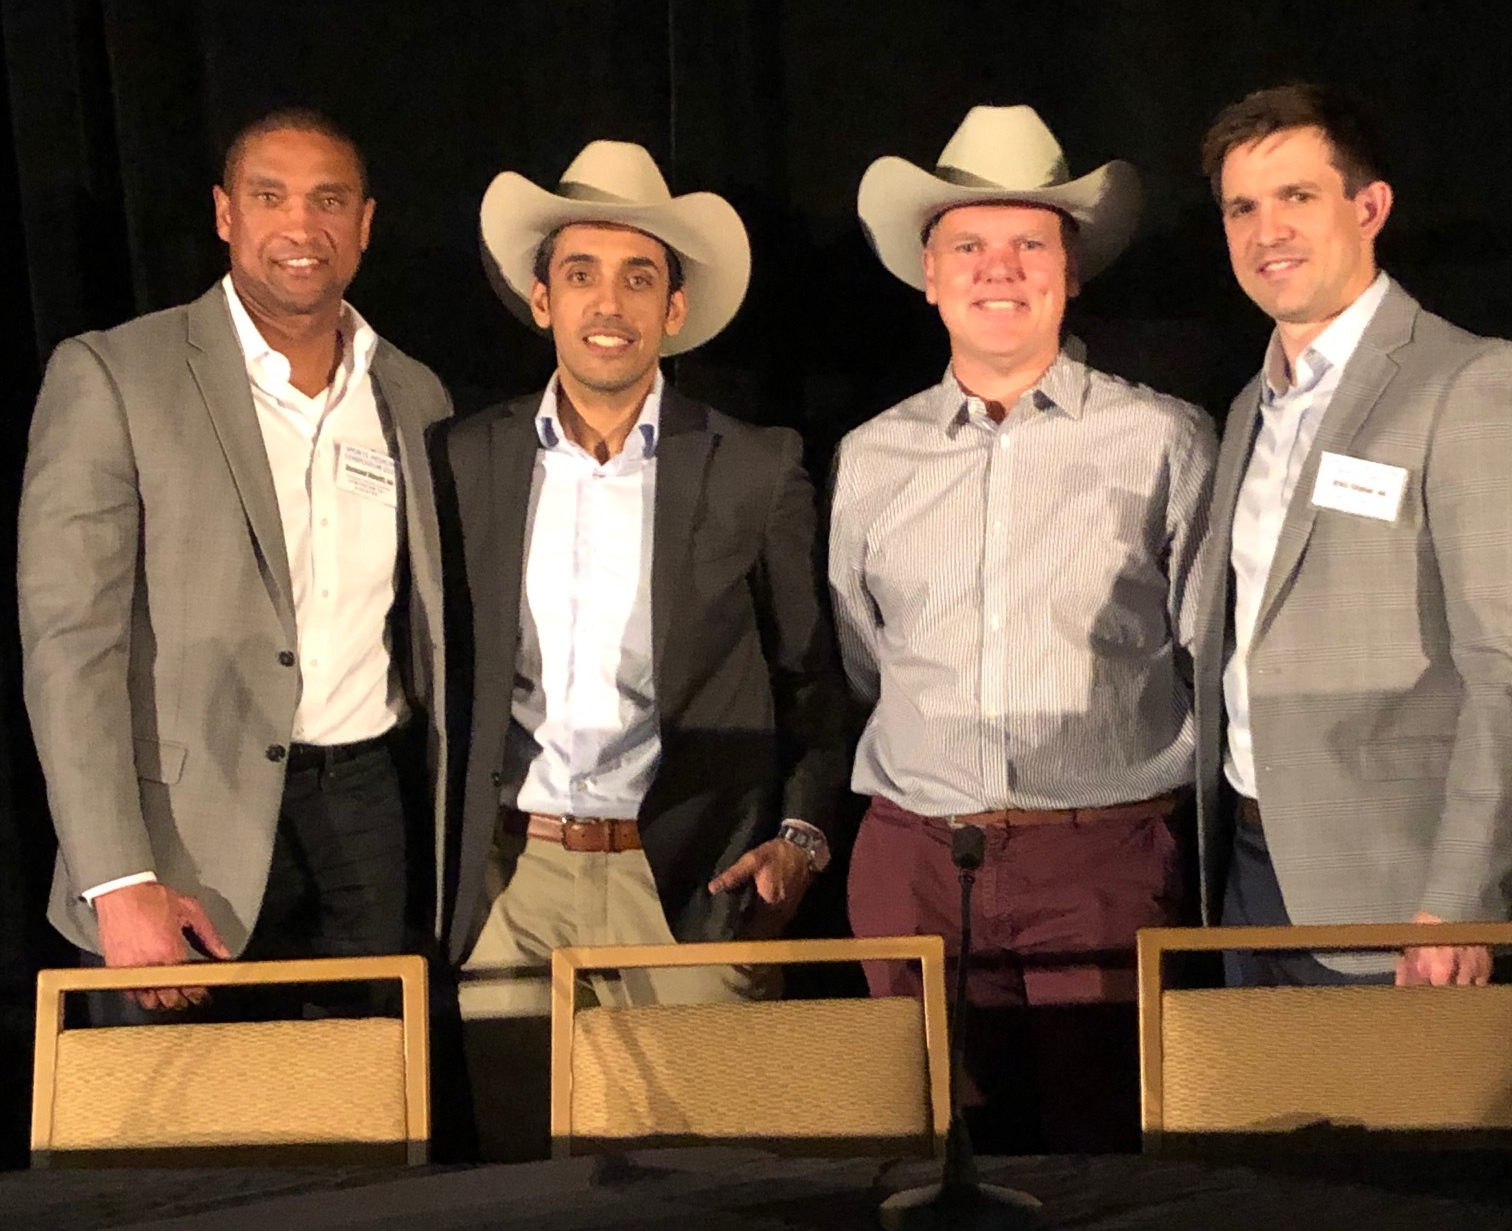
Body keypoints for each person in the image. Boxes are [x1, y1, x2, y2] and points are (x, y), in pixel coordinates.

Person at [437, 140, 845, 1145]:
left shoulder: (755, 465)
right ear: (541, 299)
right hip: (513, 876)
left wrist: (798, 840)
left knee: (711, 1181)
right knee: (522, 1190)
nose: (606, 302)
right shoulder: (462, 459)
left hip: (692, 875)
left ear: (673, 308)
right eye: (580, 273)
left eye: (637, 276)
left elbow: (812, 684)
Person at [830, 105, 1216, 1150]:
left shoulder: (1163, 438)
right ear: (929, 273)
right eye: (969, 245)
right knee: (918, 1160)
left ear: (1071, 270)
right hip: (910, 857)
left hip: (1099, 859)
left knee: (1104, 1154)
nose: (999, 269)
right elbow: (863, 648)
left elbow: (1201, 645)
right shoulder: (872, 456)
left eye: (1028, 244)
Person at [19, 109, 451, 1011]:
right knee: (182, 1133)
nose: (301, 226)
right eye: (270, 197)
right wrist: (114, 876)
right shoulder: (113, 373)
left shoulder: (412, 392)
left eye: (328, 200)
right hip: (181, 834)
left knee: (367, 1108)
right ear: (225, 214)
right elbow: (70, 648)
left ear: (365, 224)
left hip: (365, 813)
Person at [1195, 82, 1511, 987]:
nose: (1267, 232)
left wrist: (1459, 900)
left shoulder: (1470, 383)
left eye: (1298, 197)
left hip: (1399, 890)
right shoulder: (1249, 405)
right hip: (1249, 872)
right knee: (1243, 1127)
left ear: (1369, 208)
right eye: (1242, 208)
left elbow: (1505, 667)